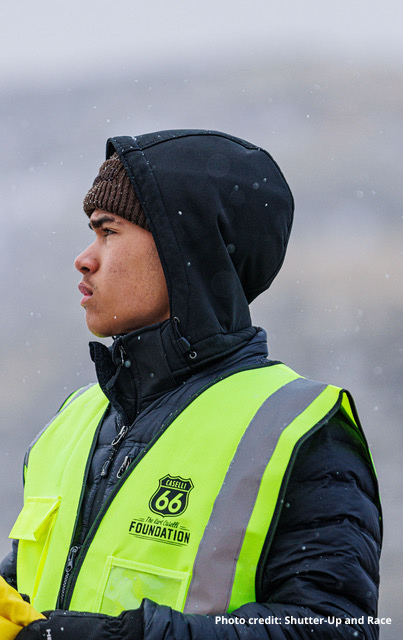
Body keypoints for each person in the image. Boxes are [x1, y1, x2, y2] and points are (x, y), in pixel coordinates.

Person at [1, 129, 382, 640]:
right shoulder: (74, 419)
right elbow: (28, 595)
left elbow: (332, 630)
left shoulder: (300, 428)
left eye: (108, 231)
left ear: (186, 250)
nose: (85, 258)